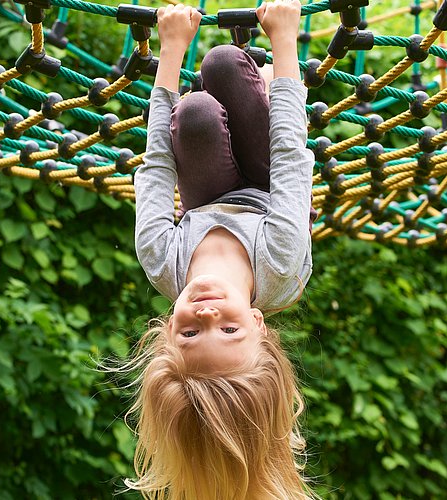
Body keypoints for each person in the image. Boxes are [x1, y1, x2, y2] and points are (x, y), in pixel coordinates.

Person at [125, 0, 316, 497]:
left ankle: (234, 95)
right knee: (223, 64)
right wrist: (286, 41)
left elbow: (156, 166)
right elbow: (293, 159)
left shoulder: (162, 260)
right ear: (257, 324)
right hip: (270, 186)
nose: (207, 313)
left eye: (189, 333)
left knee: (195, 114)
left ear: (170, 326)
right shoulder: (280, 261)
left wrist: (169, 53)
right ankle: (263, 83)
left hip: (206, 195)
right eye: (228, 329)